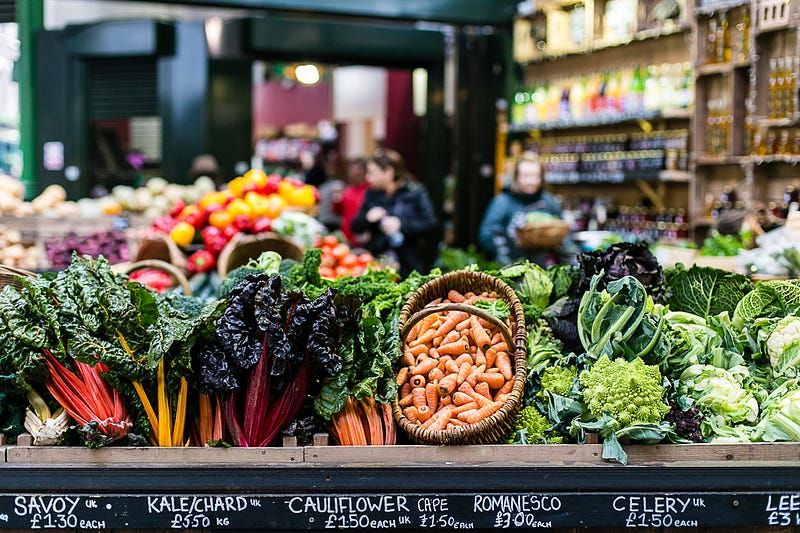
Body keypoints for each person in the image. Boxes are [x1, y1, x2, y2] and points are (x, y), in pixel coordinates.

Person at [350, 149, 438, 278]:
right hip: (376, 266)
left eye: (372, 173)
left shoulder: (415, 192)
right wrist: (367, 218)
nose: (368, 178)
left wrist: (401, 225)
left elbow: (431, 224)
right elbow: (355, 226)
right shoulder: (371, 194)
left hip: (410, 267)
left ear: (389, 172)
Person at [478, 153, 562, 265]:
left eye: (536, 176)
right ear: (516, 177)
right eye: (526, 176)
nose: (531, 181)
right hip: (510, 268)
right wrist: (510, 242)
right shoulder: (502, 202)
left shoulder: (549, 202)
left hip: (544, 268)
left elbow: (564, 234)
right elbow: (485, 236)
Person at [334, 157, 369, 246]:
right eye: (351, 169)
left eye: (355, 169)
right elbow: (338, 212)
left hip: (363, 238)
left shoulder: (369, 190)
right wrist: (336, 201)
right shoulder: (348, 190)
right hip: (346, 237)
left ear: (364, 171)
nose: (352, 173)